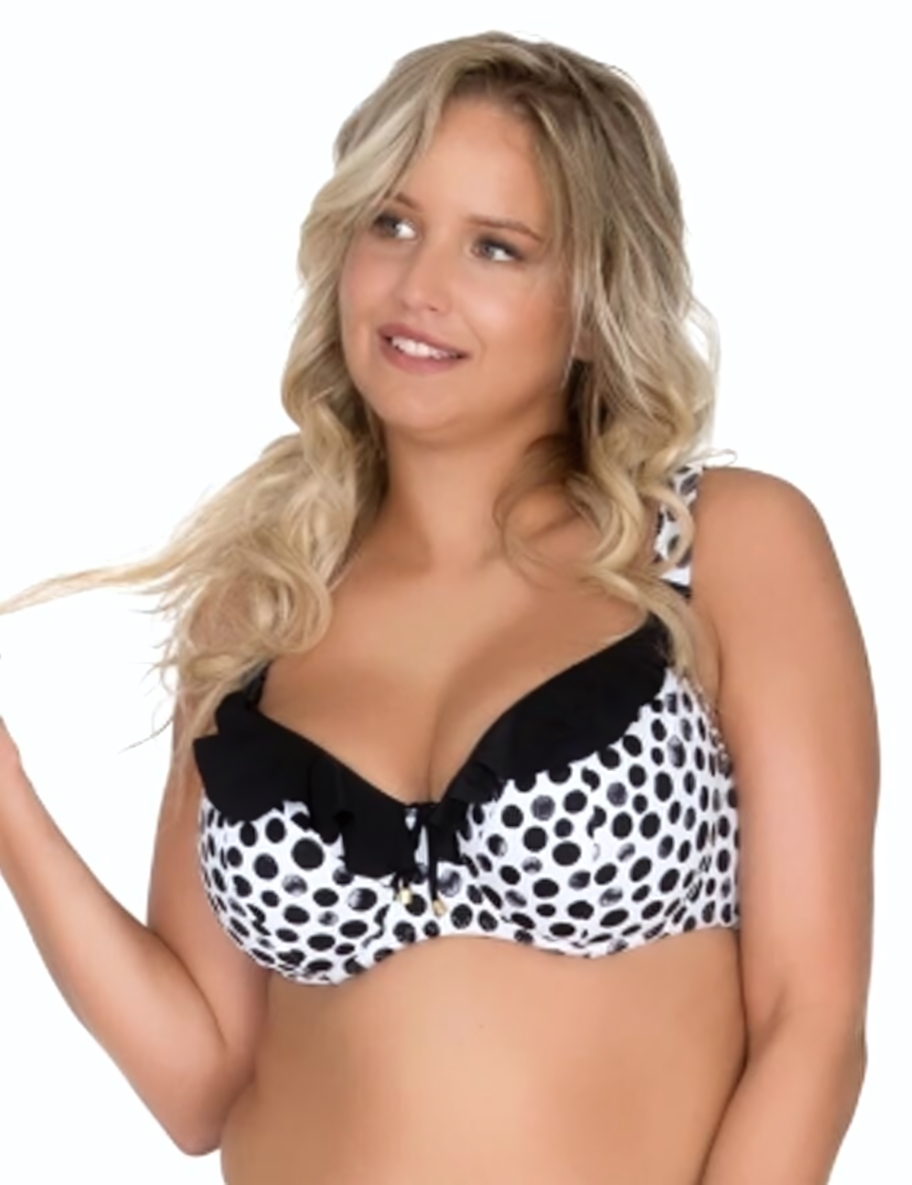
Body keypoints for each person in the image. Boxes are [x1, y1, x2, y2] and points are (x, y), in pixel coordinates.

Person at [0, 29, 877, 1185]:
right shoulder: (260, 603)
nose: (419, 288)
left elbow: (812, 1021)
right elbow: (198, 1082)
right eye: (392, 224)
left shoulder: (724, 549)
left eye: (497, 248)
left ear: (594, 302)